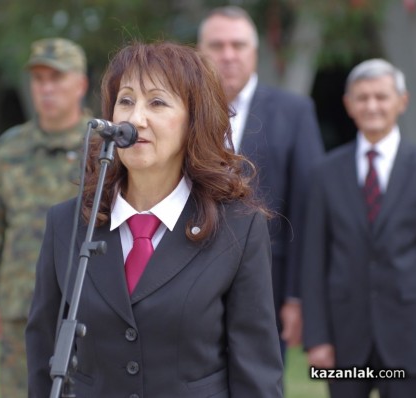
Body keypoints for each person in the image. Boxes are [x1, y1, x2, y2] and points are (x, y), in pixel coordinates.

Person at [26, 41, 283, 397]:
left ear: (194, 119)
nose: (135, 119)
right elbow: (43, 357)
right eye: (126, 101)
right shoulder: (67, 223)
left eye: (157, 102)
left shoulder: (238, 228)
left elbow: (256, 374)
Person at [197, 6, 325, 354]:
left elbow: (307, 207)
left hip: (269, 283)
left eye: (238, 45)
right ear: (199, 52)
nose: (228, 55)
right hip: (189, 280)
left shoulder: (294, 112)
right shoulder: (181, 112)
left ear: (254, 53)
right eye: (217, 45)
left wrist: (298, 296)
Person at [0, 37, 90, 398]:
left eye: (56, 77)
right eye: (38, 79)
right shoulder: (10, 147)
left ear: (80, 84)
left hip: (87, 303)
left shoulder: (101, 146)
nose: (46, 88)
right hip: (21, 304)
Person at [302, 59, 416, 397]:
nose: (372, 105)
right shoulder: (324, 174)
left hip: (410, 337)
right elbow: (313, 260)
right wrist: (317, 338)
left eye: (381, 97)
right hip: (344, 339)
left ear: (402, 101)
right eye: (363, 97)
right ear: (349, 104)